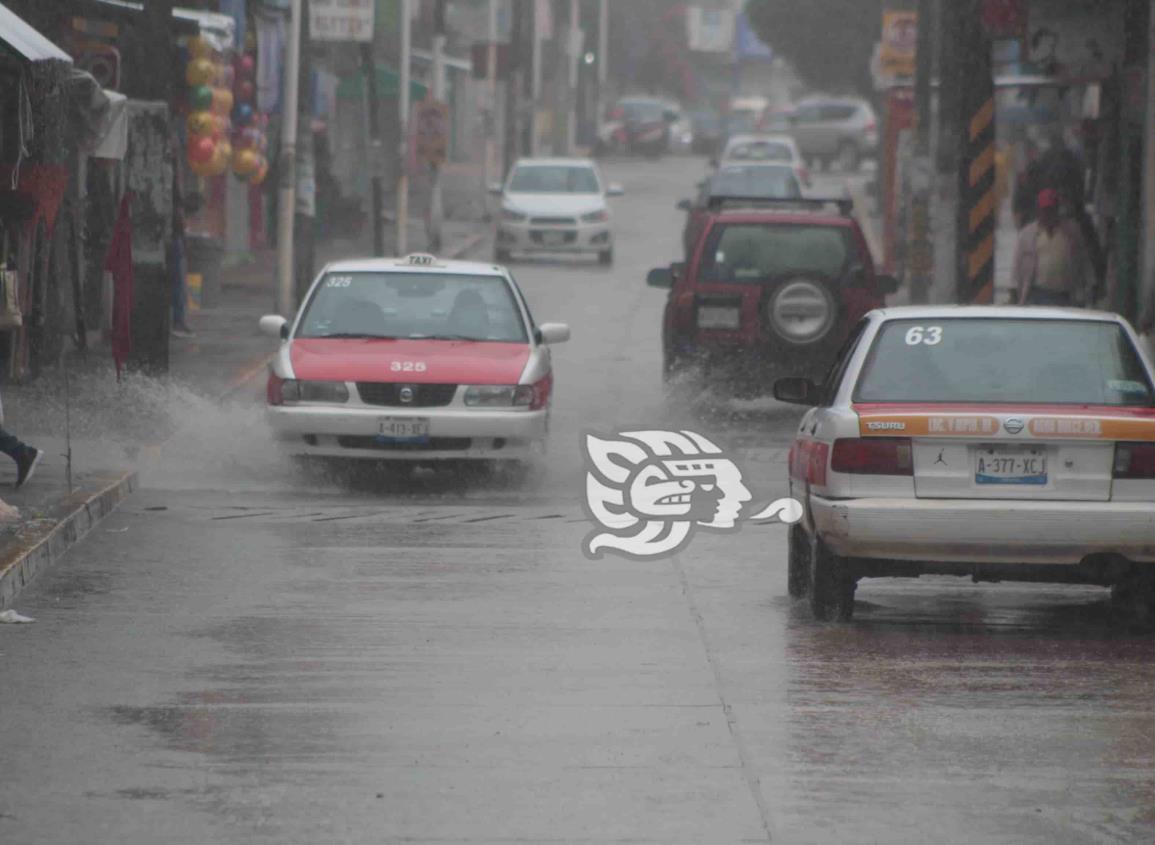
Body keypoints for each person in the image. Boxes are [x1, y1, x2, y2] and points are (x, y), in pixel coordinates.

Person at [1015, 188, 1095, 306]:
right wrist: (1016, 294)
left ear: (1057, 210)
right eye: (1045, 210)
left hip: (1064, 296)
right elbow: (1017, 265)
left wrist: (1089, 285)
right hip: (1036, 295)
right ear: (1039, 211)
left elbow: (1083, 260)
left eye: (1051, 210)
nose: (1048, 214)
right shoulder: (1027, 234)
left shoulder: (1072, 232)